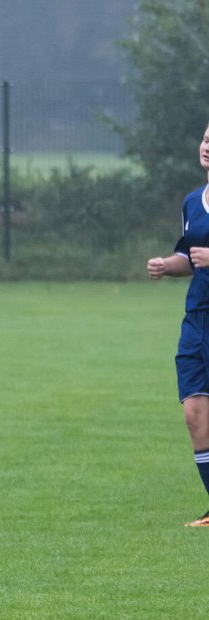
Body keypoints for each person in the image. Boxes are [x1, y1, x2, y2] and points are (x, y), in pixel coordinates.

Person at [146, 121, 209, 526]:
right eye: (205, 139)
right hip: (198, 320)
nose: (207, 147)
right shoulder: (192, 202)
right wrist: (167, 265)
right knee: (194, 413)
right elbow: (190, 257)